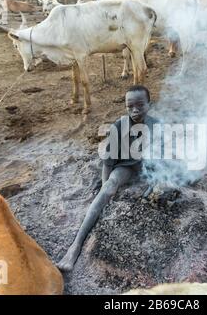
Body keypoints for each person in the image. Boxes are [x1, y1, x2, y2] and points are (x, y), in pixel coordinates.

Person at [57, 85, 159, 272]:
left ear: (149, 104)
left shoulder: (157, 125)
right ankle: (75, 246)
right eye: (130, 106)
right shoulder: (119, 127)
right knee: (109, 187)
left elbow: (161, 159)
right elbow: (108, 163)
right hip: (125, 167)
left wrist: (155, 181)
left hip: (146, 167)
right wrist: (106, 188)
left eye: (140, 105)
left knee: (165, 185)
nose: (135, 110)